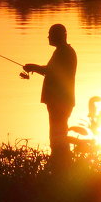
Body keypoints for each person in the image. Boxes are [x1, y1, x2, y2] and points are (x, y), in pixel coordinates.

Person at [23, 23, 77, 171]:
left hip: (60, 101)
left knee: (57, 134)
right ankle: (60, 163)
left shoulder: (63, 52)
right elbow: (52, 71)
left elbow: (51, 71)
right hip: (60, 101)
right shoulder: (63, 51)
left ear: (59, 36)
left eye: (51, 34)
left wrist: (33, 67)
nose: (48, 37)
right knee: (59, 132)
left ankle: (60, 165)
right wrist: (35, 68)